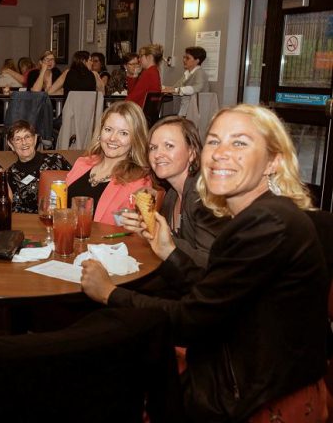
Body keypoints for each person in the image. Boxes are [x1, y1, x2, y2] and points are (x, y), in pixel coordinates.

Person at [80, 104, 328, 422]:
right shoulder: (262, 214)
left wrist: (108, 292)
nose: (220, 153)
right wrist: (170, 251)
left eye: (239, 142)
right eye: (214, 141)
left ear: (273, 161)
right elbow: (216, 293)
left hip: (257, 399)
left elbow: (192, 317)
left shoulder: (269, 222)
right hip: (246, 375)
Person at [120, 116, 228, 295]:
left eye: (169, 145)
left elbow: (209, 264)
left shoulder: (203, 195)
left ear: (192, 152)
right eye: (153, 148)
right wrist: (146, 230)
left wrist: (158, 236)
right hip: (182, 287)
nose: (157, 154)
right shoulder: (171, 195)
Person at [66, 101, 152, 223]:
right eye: (108, 129)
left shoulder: (140, 181)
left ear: (135, 139)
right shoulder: (82, 163)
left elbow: (140, 230)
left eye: (123, 133)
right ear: (100, 132)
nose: (112, 138)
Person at [6, 120, 71, 213]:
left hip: (58, 219)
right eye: (17, 139)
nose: (24, 142)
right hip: (25, 224)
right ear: (11, 145)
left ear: (35, 139)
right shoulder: (9, 175)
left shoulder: (56, 160)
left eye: (27, 137)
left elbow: (76, 185)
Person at [126, 44, 163, 108]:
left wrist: (120, 105)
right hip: (147, 111)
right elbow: (133, 93)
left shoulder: (148, 73)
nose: (139, 60)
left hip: (140, 112)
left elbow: (133, 97)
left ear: (149, 57)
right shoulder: (154, 71)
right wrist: (135, 75)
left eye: (141, 56)